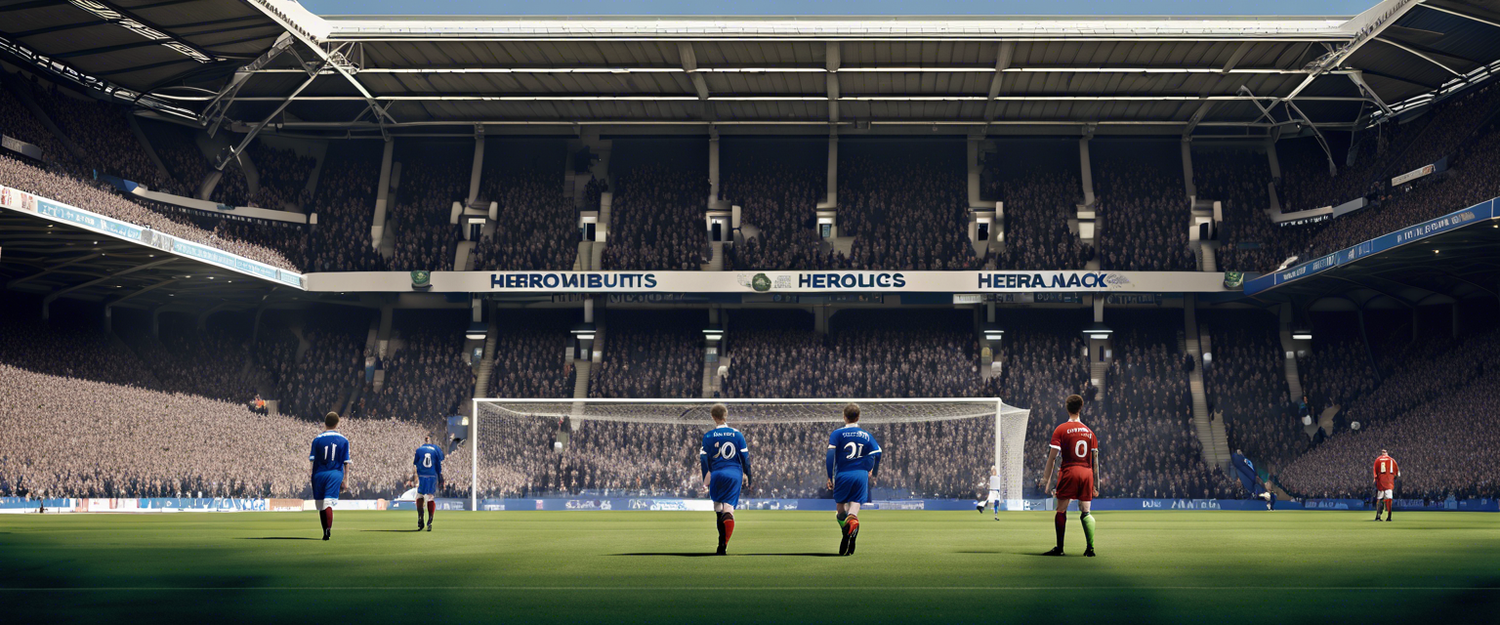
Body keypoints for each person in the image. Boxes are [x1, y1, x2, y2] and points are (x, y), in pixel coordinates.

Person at [1038, 394, 1098, 557]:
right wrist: (1096, 485)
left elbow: (1052, 457)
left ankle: (1060, 548)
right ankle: (1090, 548)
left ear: (1067, 408)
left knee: (1061, 510)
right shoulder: (1090, 432)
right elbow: (1095, 460)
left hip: (1070, 470)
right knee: (1085, 511)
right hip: (1087, 472)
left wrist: (1046, 479)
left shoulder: (1061, 429)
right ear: (1081, 408)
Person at [826, 403, 882, 556]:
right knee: (854, 510)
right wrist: (873, 471)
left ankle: (846, 532)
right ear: (858, 417)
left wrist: (829, 476)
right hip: (860, 475)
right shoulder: (866, 435)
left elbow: (830, 456)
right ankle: (852, 527)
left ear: (844, 417)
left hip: (843, 475)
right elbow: (878, 452)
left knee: (840, 512)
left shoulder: (837, 434)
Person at [699, 403, 752, 555]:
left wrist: (706, 479)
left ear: (713, 417)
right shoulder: (737, 434)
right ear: (726, 416)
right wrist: (749, 476)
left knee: (718, 509)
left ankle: (721, 541)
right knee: (728, 511)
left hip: (716, 474)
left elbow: (704, 460)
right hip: (734, 474)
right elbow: (745, 458)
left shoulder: (708, 436)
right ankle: (723, 544)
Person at [309, 412, 351, 541]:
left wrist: (312, 476)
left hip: (319, 474)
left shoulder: (317, 440)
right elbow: (346, 462)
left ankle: (325, 531)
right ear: (337, 423)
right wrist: (346, 480)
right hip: (335, 473)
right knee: (327, 503)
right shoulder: (344, 440)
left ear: (325, 423)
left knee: (321, 503)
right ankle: (328, 530)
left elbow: (312, 461)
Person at [413, 435, 445, 531]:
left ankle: (420, 517)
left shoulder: (419, 450)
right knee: (430, 497)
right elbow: (439, 464)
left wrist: (415, 477)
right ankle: (430, 520)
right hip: (432, 476)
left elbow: (415, 464)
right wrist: (440, 478)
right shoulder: (436, 449)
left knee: (420, 496)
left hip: (422, 476)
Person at [1373, 449, 1400, 522]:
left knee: (1379, 499)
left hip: (1381, 482)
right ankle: (1389, 517)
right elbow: (1397, 473)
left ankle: (1378, 516)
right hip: (1389, 482)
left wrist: (1375, 478)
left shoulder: (1378, 459)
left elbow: (1375, 470)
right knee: (1389, 499)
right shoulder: (1392, 460)